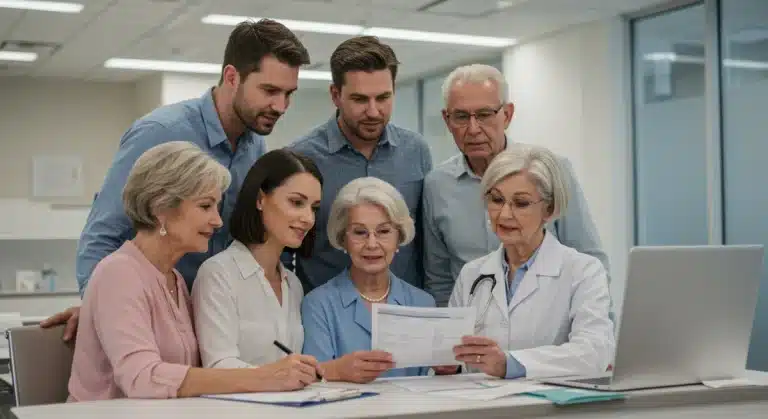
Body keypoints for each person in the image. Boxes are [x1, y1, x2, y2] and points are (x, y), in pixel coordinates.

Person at [43, 18, 311, 340]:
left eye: (288, 94)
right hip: (149, 320)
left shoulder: (255, 147)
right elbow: (103, 234)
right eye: (269, 91)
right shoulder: (160, 132)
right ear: (232, 77)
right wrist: (100, 308)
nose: (280, 106)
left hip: (209, 324)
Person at [67, 142, 321, 402]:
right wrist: (264, 377)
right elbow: (142, 378)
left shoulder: (174, 280)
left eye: (217, 207)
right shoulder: (118, 273)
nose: (217, 221)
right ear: (161, 208)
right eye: (205, 206)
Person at [422, 63, 609, 306]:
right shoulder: (437, 186)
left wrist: (599, 323)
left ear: (507, 115)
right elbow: (439, 280)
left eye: (484, 115)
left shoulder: (551, 171)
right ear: (447, 120)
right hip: (473, 322)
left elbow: (590, 262)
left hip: (550, 319)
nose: (473, 129)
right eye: (461, 117)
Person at [436, 144, 614, 379]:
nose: (504, 214)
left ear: (549, 209)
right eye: (496, 200)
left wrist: (510, 364)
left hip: (550, 401)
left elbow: (594, 353)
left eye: (521, 203)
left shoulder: (583, 271)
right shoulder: (472, 274)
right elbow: (454, 355)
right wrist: (449, 364)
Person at [288, 36, 432, 293]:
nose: (374, 111)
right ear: (336, 95)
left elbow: (427, 242)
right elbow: (284, 250)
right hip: (325, 310)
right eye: (360, 99)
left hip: (403, 309)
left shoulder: (415, 151)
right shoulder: (300, 158)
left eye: (383, 97)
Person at [192, 150, 322, 368]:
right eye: (296, 202)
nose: (308, 218)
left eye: (314, 208)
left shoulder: (293, 285)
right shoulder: (218, 274)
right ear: (261, 199)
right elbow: (218, 365)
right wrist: (281, 376)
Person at [301, 177, 436, 383]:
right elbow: (312, 383)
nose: (372, 244)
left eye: (383, 231)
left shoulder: (423, 304)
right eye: (360, 232)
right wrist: (337, 371)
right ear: (343, 239)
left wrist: (448, 368)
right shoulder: (318, 305)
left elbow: (434, 385)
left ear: (399, 238)